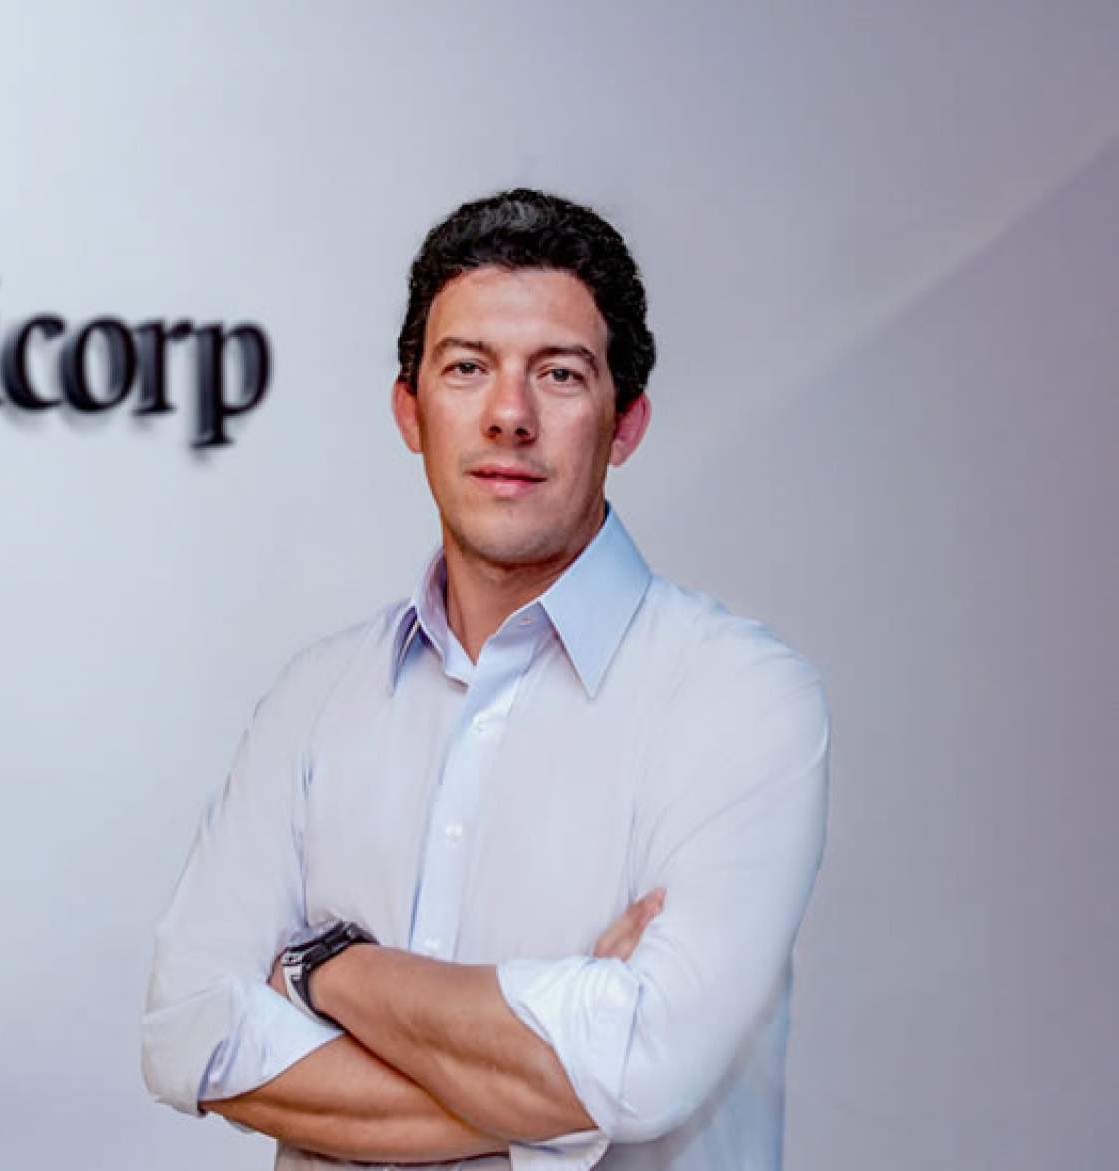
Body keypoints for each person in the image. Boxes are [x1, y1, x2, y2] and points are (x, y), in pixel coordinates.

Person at [140, 189, 831, 1170]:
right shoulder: (315, 699)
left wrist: (325, 969)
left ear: (625, 423)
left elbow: (644, 1065)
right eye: (467, 367)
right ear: (410, 411)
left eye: (559, 374)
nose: (510, 415)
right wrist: (550, 1071)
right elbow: (184, 1034)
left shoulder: (739, 699)